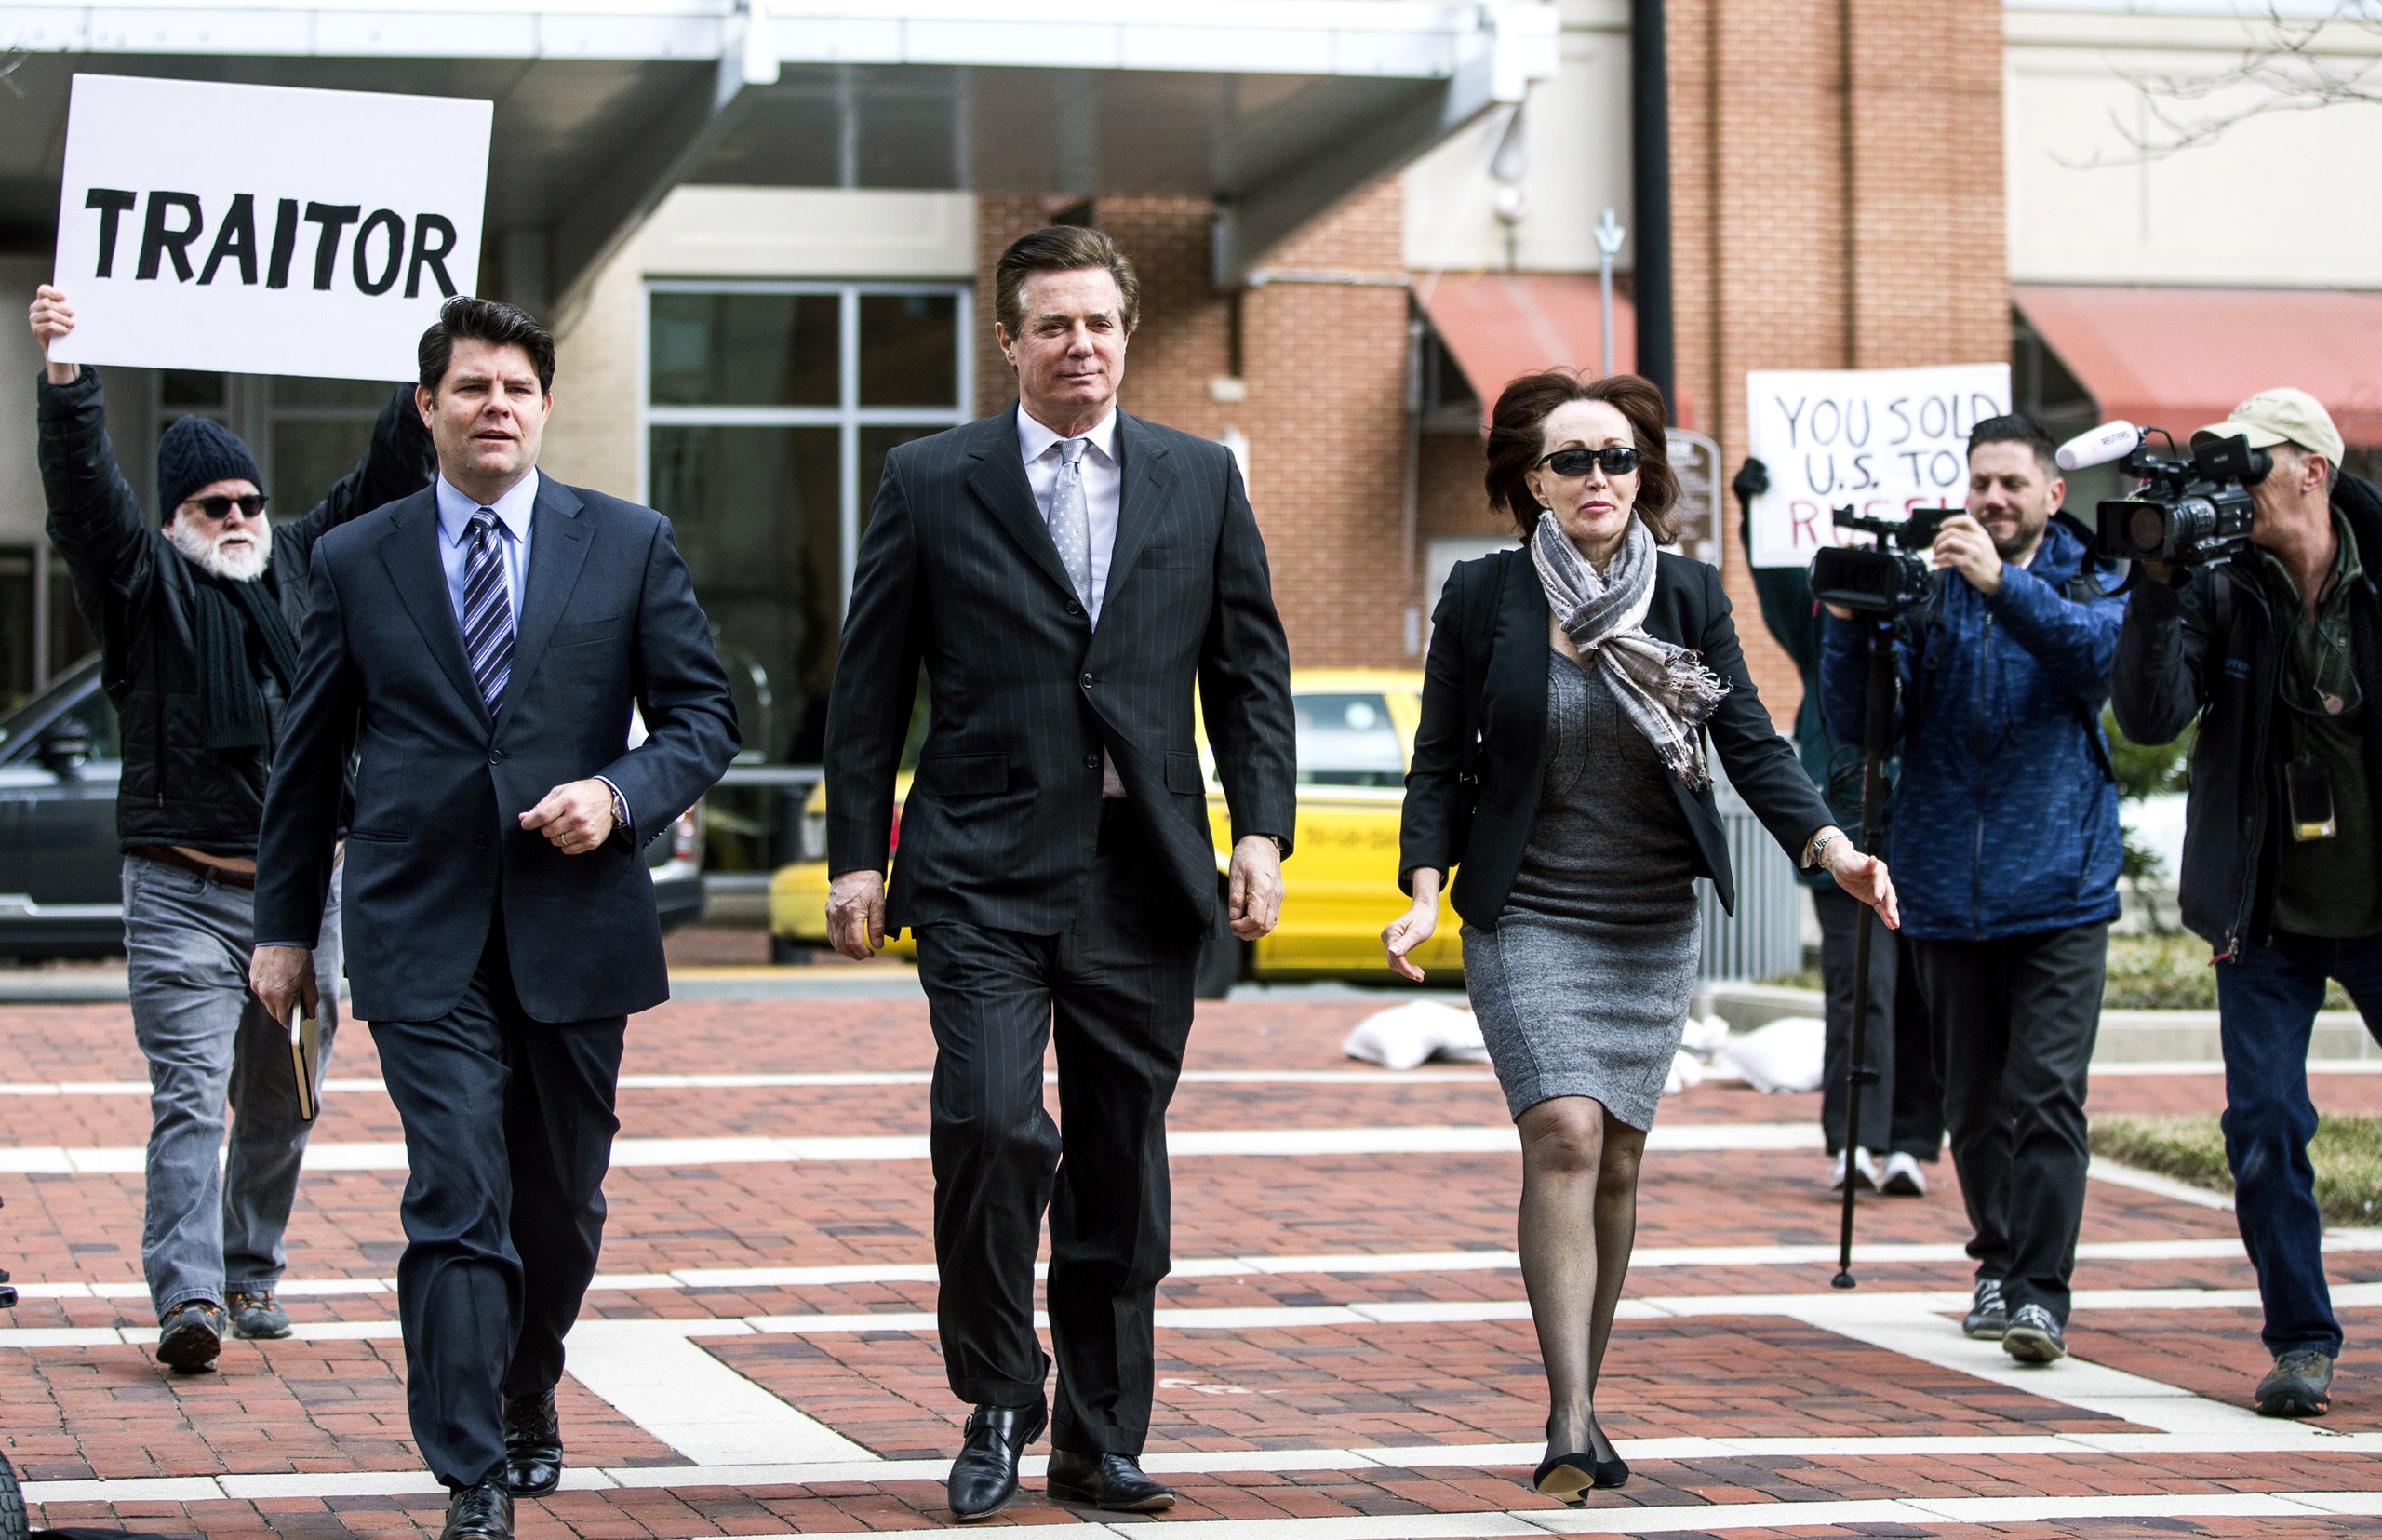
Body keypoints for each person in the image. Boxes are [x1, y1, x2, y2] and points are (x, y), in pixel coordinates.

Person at [823, 225, 1295, 1523]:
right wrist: (857, 853)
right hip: (979, 861)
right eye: (1052, 325)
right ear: (1011, 340)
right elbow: (869, 685)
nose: (1078, 345)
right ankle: (996, 1393)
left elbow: (1250, 670)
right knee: (985, 1120)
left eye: (1098, 322)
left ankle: (1100, 1436)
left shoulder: (1201, 478)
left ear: (1126, 331)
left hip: (1142, 869)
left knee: (1120, 1161)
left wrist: (1259, 828)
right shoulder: (930, 478)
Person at [247, 296, 738, 1540]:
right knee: (458, 1185)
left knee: (558, 1202)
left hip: (577, 920)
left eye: (516, 387)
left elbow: (702, 720)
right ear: (429, 408)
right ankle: (467, 1461)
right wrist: (284, 927)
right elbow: (308, 762)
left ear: (546, 405)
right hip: (420, 926)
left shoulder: (626, 542)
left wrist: (618, 793)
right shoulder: (358, 556)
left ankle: (529, 1378)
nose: (495, 406)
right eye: (470, 387)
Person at [1382, 370, 1897, 1505]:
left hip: (1648, 911)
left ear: (1641, 474)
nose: (1598, 477)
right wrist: (1425, 886)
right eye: (1572, 459)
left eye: (1616, 457)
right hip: (1526, 910)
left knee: (1615, 1152)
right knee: (1563, 1129)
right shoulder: (1483, 597)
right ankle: (1568, 1415)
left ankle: (1587, 1394)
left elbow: (1751, 744)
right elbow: (1439, 760)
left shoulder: (1687, 594)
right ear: (1534, 482)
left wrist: (1832, 849)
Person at [29, 284, 432, 1373]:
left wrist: (425, 361)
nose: (239, 518)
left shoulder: (305, 562)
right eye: (213, 505)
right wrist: (68, 374)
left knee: (282, 1097)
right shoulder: (141, 584)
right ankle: (190, 1297)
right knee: (188, 1098)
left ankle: (252, 1267)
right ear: (174, 520)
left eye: (249, 499)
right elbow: (81, 498)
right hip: (179, 890)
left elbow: (387, 475)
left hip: (303, 893)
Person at [1819, 412, 2127, 1367]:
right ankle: (1995, 1262)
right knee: (1973, 1098)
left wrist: (2004, 586)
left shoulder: (2094, 571)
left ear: (2050, 492)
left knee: (2044, 1091)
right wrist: (1847, 631)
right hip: (1944, 878)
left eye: (2009, 483)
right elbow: (1866, 726)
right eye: (1978, 482)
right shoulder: (1932, 581)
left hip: (2062, 883)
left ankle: (2039, 1289)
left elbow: (2097, 665)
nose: (1990, 499)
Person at [2110, 388, 2382, 1419]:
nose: (2234, 489)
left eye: (2251, 466)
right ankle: (2302, 1338)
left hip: (2377, 901)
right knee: (2262, 1121)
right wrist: (2155, 581)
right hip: (2262, 911)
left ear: (2312, 468)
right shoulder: (2220, 583)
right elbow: (2145, 716)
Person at [1736, 460, 1944, 1195]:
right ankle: (1855, 1138)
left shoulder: (1937, 606)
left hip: (1928, 826)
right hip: (1849, 825)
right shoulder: (1826, 616)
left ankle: (1913, 1142)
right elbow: (1776, 584)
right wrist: (1756, 511)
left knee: (1923, 990)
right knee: (1860, 987)